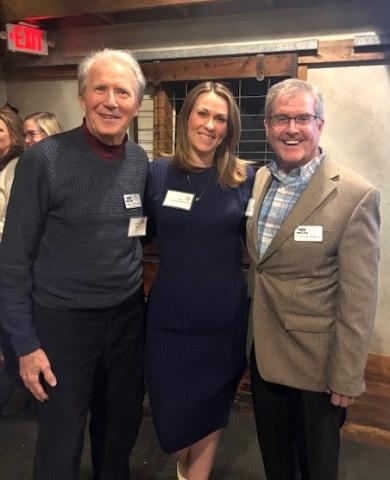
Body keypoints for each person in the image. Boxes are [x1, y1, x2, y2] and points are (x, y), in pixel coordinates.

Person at [0, 48, 149, 479]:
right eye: (100, 89)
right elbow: (13, 261)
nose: (111, 100)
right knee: (60, 440)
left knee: (119, 430)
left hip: (124, 320)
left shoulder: (139, 162)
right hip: (62, 324)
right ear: (82, 97)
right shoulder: (43, 160)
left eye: (122, 92)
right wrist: (25, 345)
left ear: (136, 103)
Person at [246, 78, 380, 480]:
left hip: (317, 368)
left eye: (302, 118)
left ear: (320, 124)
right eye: (281, 119)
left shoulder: (355, 195)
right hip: (263, 356)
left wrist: (347, 376)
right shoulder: (258, 181)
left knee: (317, 468)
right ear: (267, 127)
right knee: (275, 462)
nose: (292, 128)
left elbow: (358, 298)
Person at [145, 81, 254, 480]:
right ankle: (182, 468)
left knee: (210, 409)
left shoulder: (245, 178)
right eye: (202, 113)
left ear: (230, 127)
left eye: (220, 118)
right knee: (172, 420)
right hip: (169, 318)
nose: (210, 125)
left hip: (223, 319)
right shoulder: (156, 173)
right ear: (186, 116)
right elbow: (136, 233)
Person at [0, 108, 31, 416]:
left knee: (11, 322)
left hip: (7, 252)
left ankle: (18, 388)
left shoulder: (18, 166)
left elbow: (14, 218)